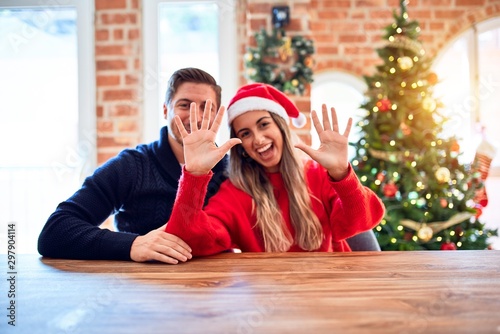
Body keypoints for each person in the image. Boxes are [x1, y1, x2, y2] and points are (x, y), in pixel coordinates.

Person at [164, 83, 385, 256]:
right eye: (245, 133)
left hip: (329, 290)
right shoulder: (235, 194)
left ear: (281, 126)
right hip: (271, 298)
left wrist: (341, 173)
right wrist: (194, 175)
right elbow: (193, 240)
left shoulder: (318, 175)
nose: (258, 139)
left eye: (263, 124)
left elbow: (360, 221)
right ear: (240, 145)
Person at [38, 67, 228, 264]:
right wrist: (132, 244)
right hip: (141, 289)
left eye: (206, 108)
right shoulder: (132, 166)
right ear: (165, 110)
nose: (195, 117)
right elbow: (55, 232)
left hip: (211, 288)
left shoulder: (230, 171)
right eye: (184, 105)